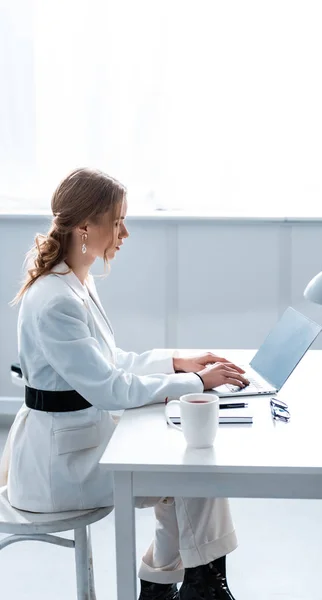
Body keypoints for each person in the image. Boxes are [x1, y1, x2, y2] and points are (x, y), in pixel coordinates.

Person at [0, 168, 250, 600]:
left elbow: (110, 362)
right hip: (59, 468)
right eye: (117, 221)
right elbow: (111, 388)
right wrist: (197, 381)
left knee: (189, 463)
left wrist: (176, 362)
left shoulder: (75, 282)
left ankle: (176, 586)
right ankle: (193, 586)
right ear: (84, 227)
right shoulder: (54, 300)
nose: (125, 232)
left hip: (78, 441)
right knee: (188, 469)